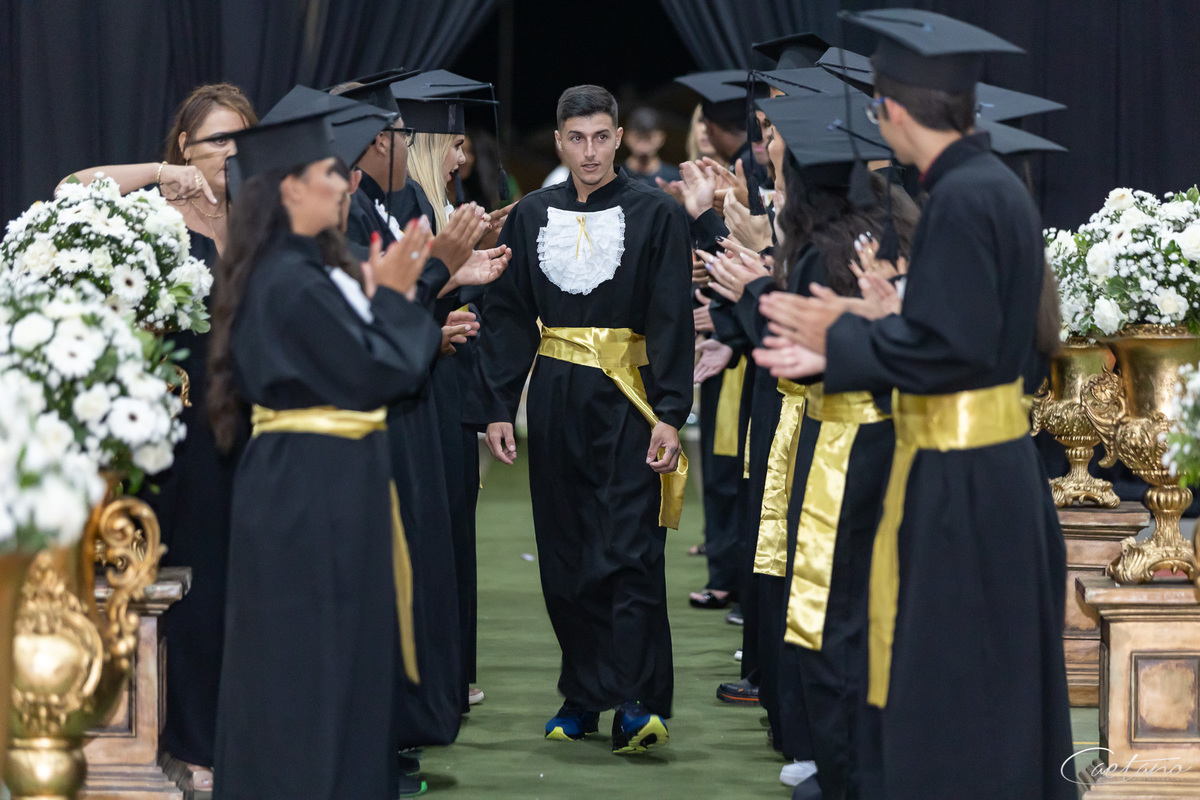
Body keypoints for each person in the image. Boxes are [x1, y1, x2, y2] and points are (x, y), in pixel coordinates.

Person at [752, 9, 1074, 799]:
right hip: (990, 469)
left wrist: (842, 339)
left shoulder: (960, 198)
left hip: (964, 481)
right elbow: (969, 334)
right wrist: (869, 321)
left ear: (890, 110)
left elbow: (948, 352)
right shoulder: (989, 185)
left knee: (956, 682)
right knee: (990, 679)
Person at [206, 103, 443, 799]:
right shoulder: (288, 279)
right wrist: (396, 298)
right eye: (329, 173)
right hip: (311, 500)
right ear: (290, 188)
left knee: (338, 665)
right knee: (309, 673)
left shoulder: (298, 269)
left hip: (322, 490)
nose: (345, 185)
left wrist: (389, 295)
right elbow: (380, 371)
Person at [479, 84, 692, 754]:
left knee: (630, 549)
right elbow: (510, 315)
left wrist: (670, 412)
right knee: (565, 549)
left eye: (602, 137)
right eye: (577, 138)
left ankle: (634, 700)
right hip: (556, 395)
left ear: (619, 138)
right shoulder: (531, 215)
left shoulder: (657, 213)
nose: (590, 151)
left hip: (630, 395)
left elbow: (672, 316)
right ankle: (582, 694)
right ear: (559, 141)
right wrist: (498, 404)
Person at [59, 82, 258, 793]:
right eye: (217, 140)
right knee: (182, 585)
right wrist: (157, 175)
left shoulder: (257, 218)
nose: (231, 153)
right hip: (173, 428)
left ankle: (230, 735)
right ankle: (185, 742)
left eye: (242, 139)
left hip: (248, 421)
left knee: (237, 586)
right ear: (184, 145)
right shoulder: (152, 214)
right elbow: (72, 190)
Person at [622, 107, 680, 188]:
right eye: (638, 137)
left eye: (649, 137)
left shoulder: (675, 179)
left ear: (661, 138)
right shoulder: (613, 176)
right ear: (627, 137)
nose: (644, 144)